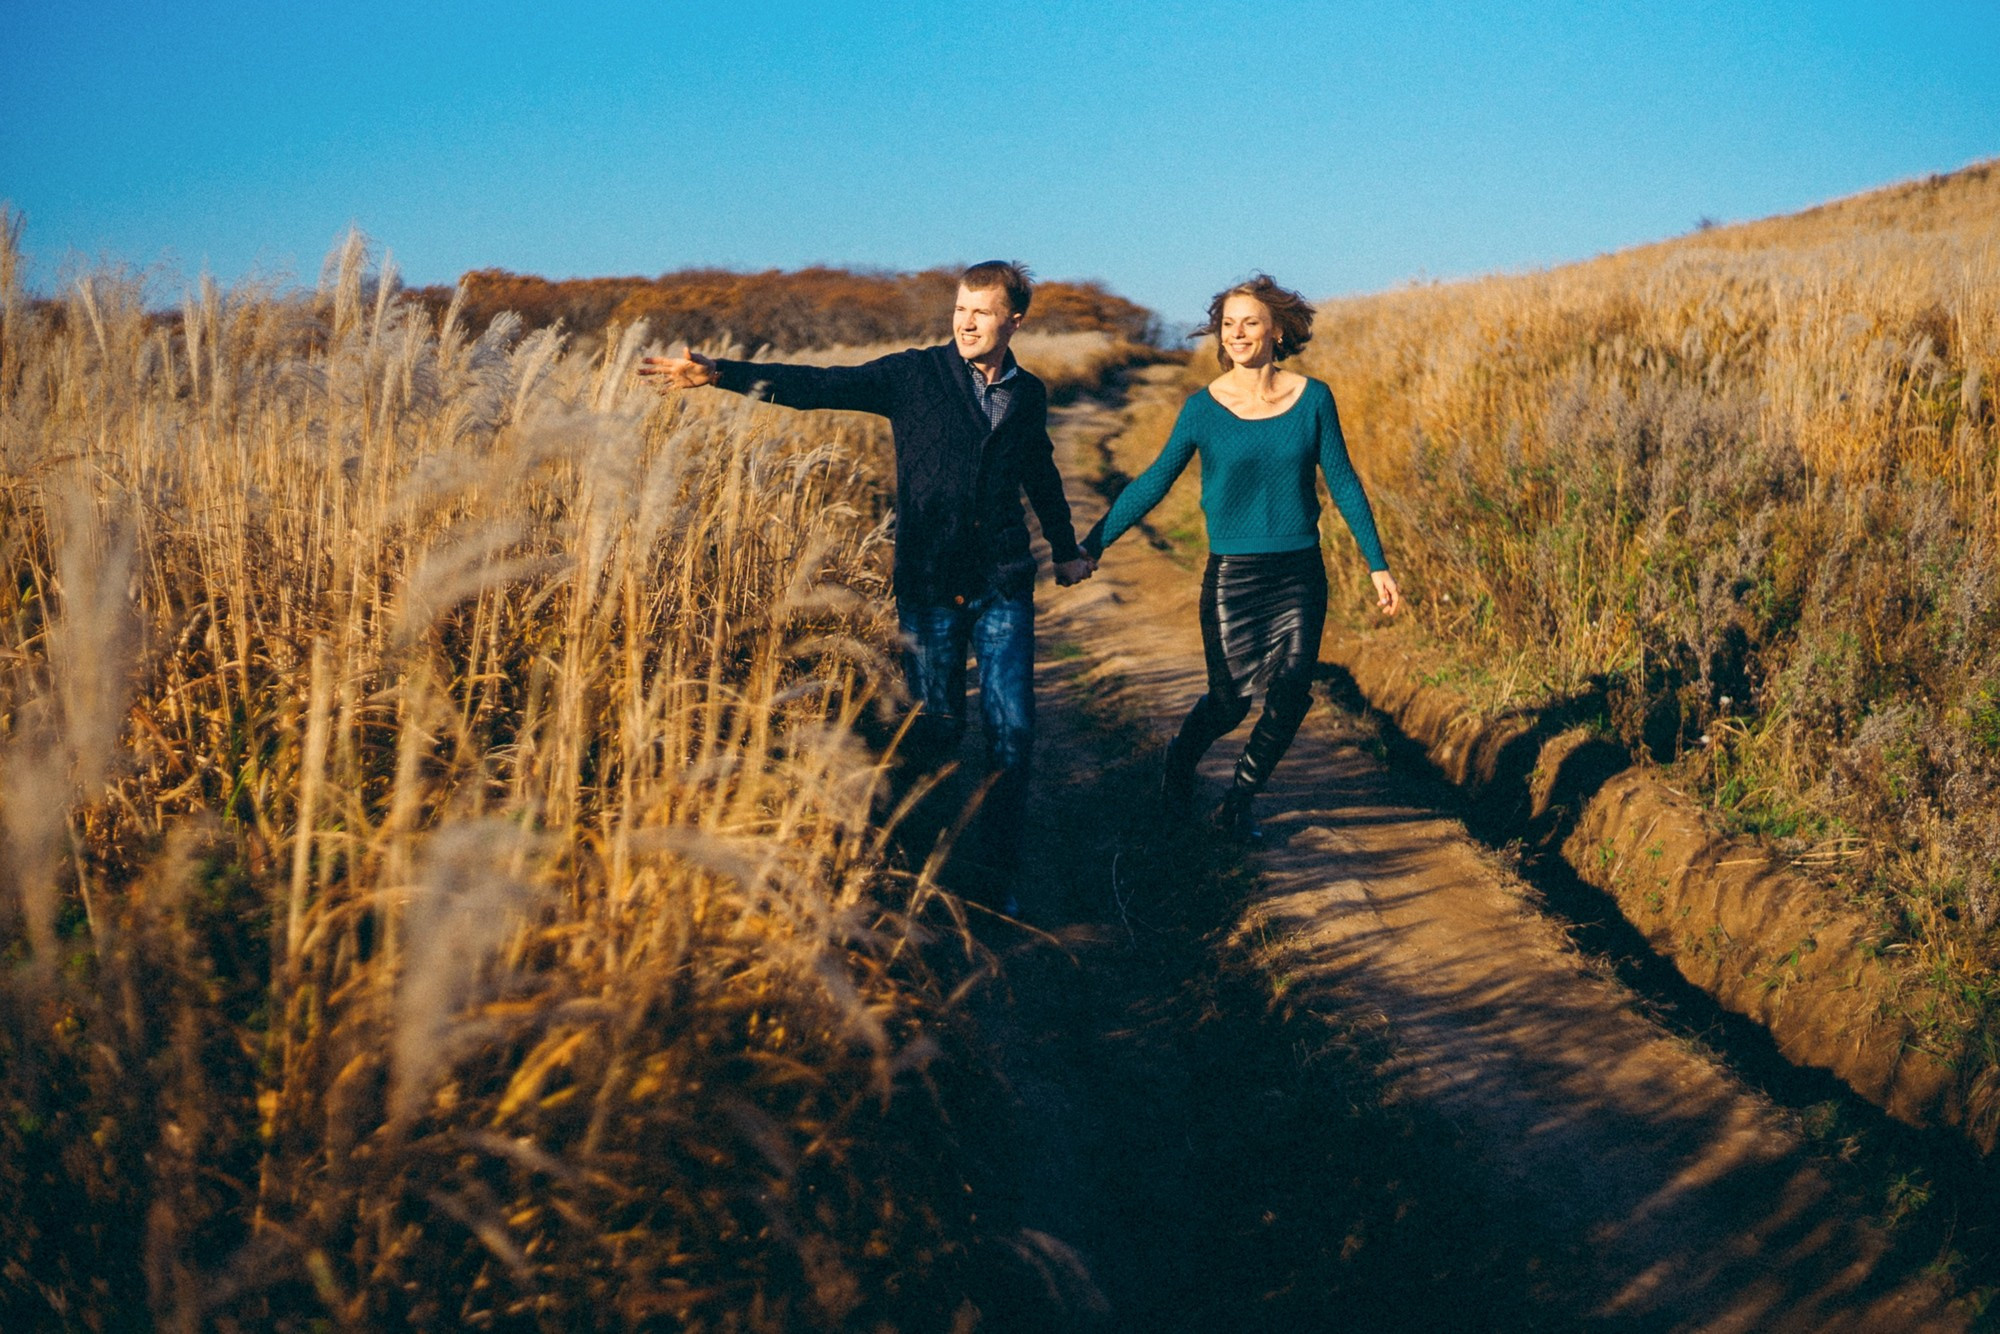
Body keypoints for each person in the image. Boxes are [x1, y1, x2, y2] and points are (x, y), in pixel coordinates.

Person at [638, 261, 1095, 911]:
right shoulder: (915, 376)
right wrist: (721, 375)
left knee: (1012, 734)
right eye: (961, 308)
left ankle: (996, 880)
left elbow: (1040, 472)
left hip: (1002, 583)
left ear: (1013, 321)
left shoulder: (1029, 394)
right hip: (931, 582)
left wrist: (1066, 547)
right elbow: (819, 385)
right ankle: (914, 862)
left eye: (982, 312)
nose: (966, 322)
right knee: (936, 727)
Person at [1082, 274, 1400, 841]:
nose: (1237, 333)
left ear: (1277, 330)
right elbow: (1154, 480)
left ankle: (1238, 801)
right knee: (1230, 704)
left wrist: (1377, 562)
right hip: (1233, 574)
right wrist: (1092, 545)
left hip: (1299, 569)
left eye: (1250, 322)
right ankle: (1181, 760)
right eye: (1228, 324)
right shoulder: (1203, 409)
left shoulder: (1314, 399)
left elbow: (1345, 482)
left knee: (1291, 691)